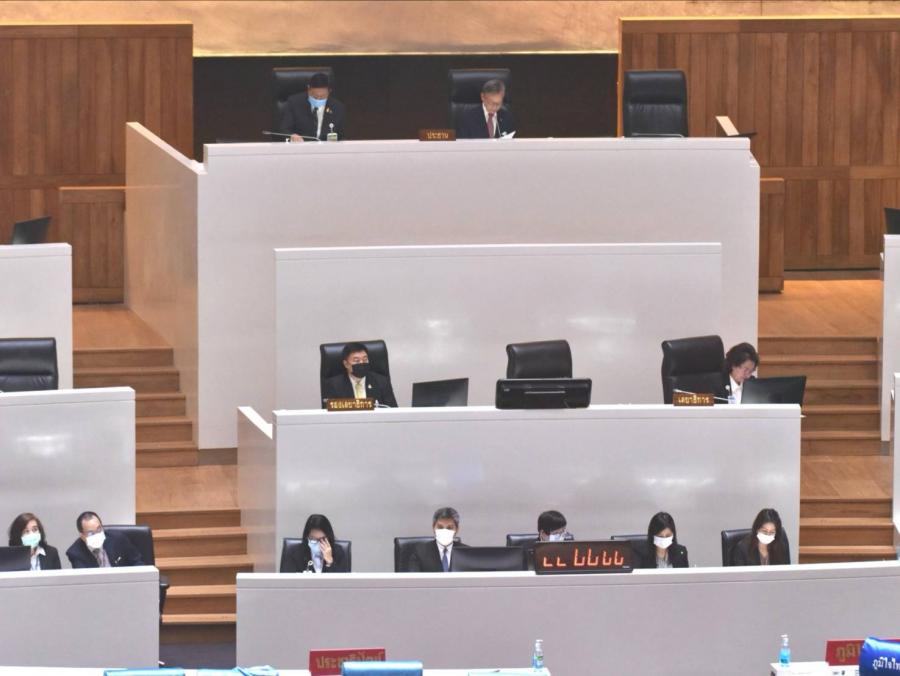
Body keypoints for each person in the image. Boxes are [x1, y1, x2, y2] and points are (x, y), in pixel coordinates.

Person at [322, 342, 398, 407]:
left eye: (365, 359)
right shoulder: (333, 385)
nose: (362, 363)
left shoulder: (382, 382)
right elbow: (328, 415)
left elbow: (393, 410)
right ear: (346, 364)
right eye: (356, 360)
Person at [279, 72, 346, 142]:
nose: (318, 99)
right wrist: (292, 136)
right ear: (308, 89)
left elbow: (341, 136)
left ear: (329, 91)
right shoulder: (294, 103)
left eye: (322, 97)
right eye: (315, 96)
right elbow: (284, 130)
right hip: (301, 146)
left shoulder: (337, 107)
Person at [65, 511, 144, 568]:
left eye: (99, 529)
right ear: (82, 536)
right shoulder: (75, 553)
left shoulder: (118, 539)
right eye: (91, 533)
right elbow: (84, 580)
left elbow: (137, 562)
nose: (97, 535)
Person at [407, 506, 468, 572]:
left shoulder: (466, 553)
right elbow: (413, 577)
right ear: (433, 528)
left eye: (449, 528)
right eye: (440, 527)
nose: (444, 531)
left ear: (457, 529)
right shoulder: (419, 553)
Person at [282, 514, 349, 573]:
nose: (318, 543)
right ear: (307, 537)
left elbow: (343, 582)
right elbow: (286, 581)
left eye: (322, 539)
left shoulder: (338, 552)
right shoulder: (294, 553)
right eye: (313, 539)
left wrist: (330, 562)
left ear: (329, 537)